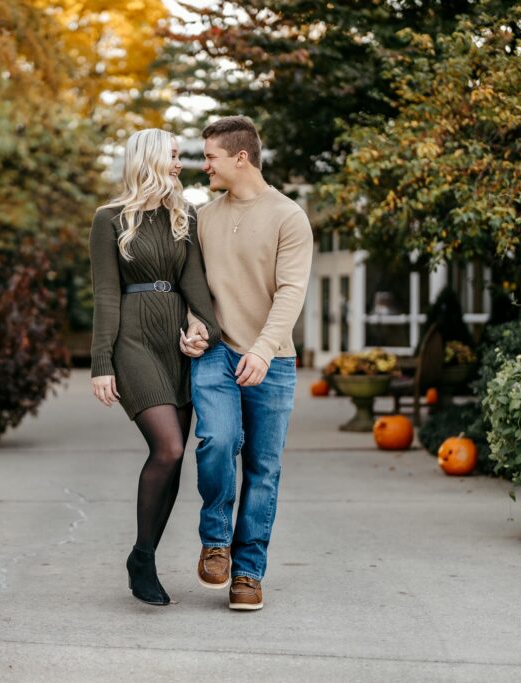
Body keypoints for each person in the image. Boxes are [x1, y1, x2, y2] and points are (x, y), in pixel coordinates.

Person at [180, 116, 313, 611]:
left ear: (241, 158)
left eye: (211, 155)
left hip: (271, 359)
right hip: (216, 351)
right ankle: (215, 540)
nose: (204, 164)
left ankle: (248, 571)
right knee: (216, 440)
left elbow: (291, 292)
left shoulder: (288, 217)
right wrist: (195, 325)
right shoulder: (201, 218)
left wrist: (261, 349)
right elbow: (192, 288)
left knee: (263, 467)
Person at [89, 128, 221, 606]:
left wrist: (205, 327)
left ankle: (145, 556)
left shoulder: (185, 216)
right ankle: (142, 559)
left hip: (176, 345)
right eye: (172, 155)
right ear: (148, 159)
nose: (179, 163)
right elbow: (105, 293)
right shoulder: (109, 219)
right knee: (166, 447)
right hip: (133, 341)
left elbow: (194, 284)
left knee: (177, 454)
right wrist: (101, 362)